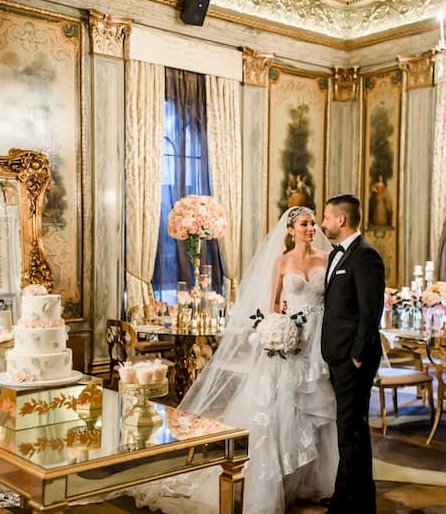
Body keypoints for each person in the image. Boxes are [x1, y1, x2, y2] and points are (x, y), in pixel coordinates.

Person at [130, 206, 338, 514]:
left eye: (313, 223)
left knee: (315, 410)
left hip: (317, 344)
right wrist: (274, 331)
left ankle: (314, 481)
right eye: (305, 224)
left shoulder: (328, 259)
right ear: (291, 230)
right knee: (280, 408)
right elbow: (273, 307)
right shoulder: (282, 262)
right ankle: (276, 481)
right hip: (288, 344)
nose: (312, 228)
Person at [320, 194, 386, 514]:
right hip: (339, 355)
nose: (323, 223)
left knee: (350, 430)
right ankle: (359, 499)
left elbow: (370, 311)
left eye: (326, 217)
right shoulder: (338, 255)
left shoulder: (365, 256)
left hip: (352, 358)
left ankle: (344, 503)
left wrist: (357, 355)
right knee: (351, 429)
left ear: (341, 220)